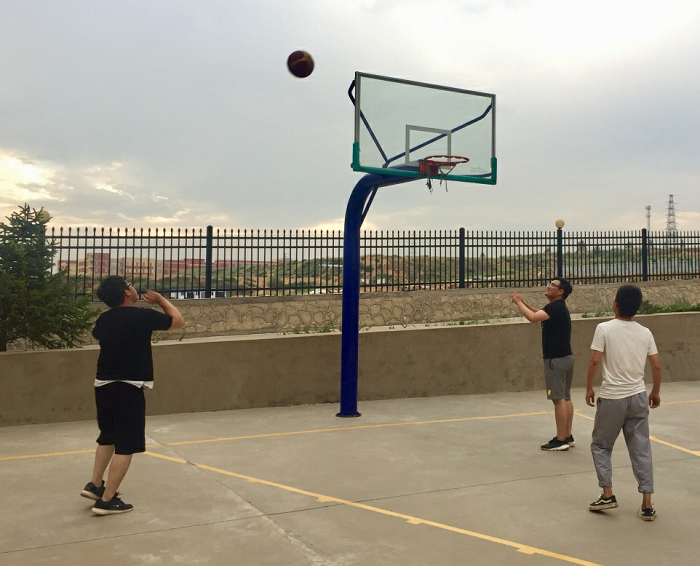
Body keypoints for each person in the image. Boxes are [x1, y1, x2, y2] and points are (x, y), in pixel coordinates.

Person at [81, 276, 185, 515]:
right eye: (130, 285)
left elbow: (101, 334)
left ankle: (95, 484)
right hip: (128, 386)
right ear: (126, 293)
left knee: (107, 437)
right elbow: (178, 321)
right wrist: (160, 300)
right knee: (126, 444)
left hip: (103, 384)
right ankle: (107, 500)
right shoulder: (141, 316)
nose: (133, 288)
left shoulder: (104, 319)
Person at [585, 284, 662, 521]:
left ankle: (607, 493)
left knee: (601, 446)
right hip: (638, 396)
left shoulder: (604, 328)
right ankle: (647, 503)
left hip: (612, 397)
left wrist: (589, 387)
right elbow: (656, 365)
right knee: (641, 449)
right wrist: (655, 392)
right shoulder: (645, 332)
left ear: (615, 305)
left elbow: (595, 361)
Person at [510, 278, 574, 451]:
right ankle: (567, 436)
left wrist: (517, 302)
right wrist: (523, 303)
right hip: (566, 358)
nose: (549, 286)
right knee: (565, 398)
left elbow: (532, 318)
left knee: (558, 399)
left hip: (555, 360)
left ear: (560, 291)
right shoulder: (557, 307)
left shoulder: (555, 307)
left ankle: (560, 440)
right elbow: (538, 313)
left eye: (553, 285)